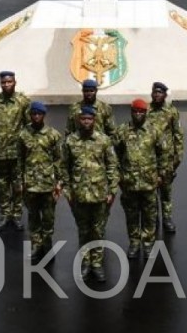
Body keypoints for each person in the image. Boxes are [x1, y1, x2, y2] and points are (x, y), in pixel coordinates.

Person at [62, 105, 117, 283]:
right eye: (83, 119)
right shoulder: (70, 141)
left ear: (94, 120)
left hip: (100, 194)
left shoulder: (103, 140)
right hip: (78, 195)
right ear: (79, 120)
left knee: (98, 230)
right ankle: (86, 262)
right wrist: (67, 192)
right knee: (83, 231)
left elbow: (112, 166)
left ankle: (97, 264)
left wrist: (112, 190)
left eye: (90, 119)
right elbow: (64, 168)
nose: (86, 122)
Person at [117, 99, 168, 259]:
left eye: (141, 112)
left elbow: (163, 153)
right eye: (135, 111)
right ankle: (134, 242)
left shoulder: (154, 131)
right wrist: (119, 176)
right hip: (129, 182)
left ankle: (148, 244)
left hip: (149, 182)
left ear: (145, 113)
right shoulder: (123, 131)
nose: (138, 114)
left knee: (149, 215)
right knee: (131, 215)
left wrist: (161, 174)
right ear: (131, 112)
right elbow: (115, 154)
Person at [0, 71, 30, 231]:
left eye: (9, 82)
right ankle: (5, 215)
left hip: (17, 153)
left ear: (15, 82)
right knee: (2, 186)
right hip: (0, 152)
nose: (6, 85)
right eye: (3, 82)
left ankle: (16, 216)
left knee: (18, 187)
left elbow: (29, 126)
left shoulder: (22, 102)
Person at [18, 101, 63, 262]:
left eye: (39, 114)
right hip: (30, 184)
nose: (36, 116)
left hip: (47, 184)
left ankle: (47, 242)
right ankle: (36, 244)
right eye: (33, 114)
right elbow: (20, 159)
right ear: (30, 115)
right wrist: (20, 181)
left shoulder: (53, 135)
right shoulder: (23, 134)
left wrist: (59, 182)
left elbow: (58, 160)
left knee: (49, 217)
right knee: (33, 216)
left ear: (44, 115)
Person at [145, 82, 183, 233]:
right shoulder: (147, 110)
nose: (157, 95)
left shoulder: (171, 112)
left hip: (166, 159)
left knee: (166, 192)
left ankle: (167, 218)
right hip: (149, 158)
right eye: (154, 92)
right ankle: (154, 219)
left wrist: (177, 157)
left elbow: (178, 135)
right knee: (152, 191)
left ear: (165, 95)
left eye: (160, 93)